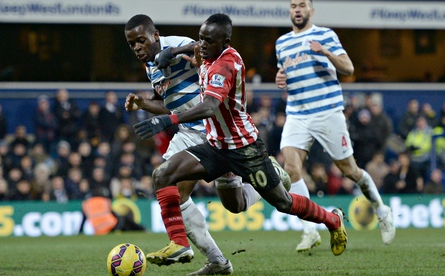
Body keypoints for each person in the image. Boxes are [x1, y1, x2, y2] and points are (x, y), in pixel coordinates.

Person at [134, 13, 347, 269]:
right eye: (201, 38)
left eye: (208, 41)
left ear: (225, 42)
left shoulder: (226, 64)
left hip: (243, 147)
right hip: (215, 145)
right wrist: (175, 55)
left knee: (283, 203)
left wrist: (169, 121)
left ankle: (332, 219)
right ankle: (179, 243)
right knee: (163, 175)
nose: (201, 45)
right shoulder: (205, 54)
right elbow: (192, 54)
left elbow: (209, 107)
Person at [124, 14, 293, 275]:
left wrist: (173, 52)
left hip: (214, 129)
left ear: (155, 35)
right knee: (174, 188)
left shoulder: (177, 43)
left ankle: (271, 177)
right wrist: (143, 104)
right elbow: (171, 103)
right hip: (189, 131)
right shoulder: (150, 66)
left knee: (234, 204)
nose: (136, 47)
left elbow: (203, 50)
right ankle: (214, 260)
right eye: (131, 44)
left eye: (140, 40)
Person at [275, 0, 395, 247]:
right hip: (297, 113)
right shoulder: (282, 43)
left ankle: (382, 211)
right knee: (291, 166)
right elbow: (285, 73)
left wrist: (327, 53)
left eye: (302, 5)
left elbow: (349, 68)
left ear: (311, 10)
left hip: (328, 111)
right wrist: (281, 78)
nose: (297, 9)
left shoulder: (325, 35)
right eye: (293, 5)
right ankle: (309, 230)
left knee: (350, 171)